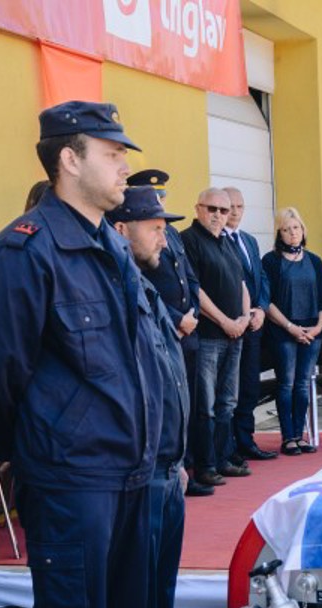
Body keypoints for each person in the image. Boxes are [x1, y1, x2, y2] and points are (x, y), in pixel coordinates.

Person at [0, 101, 166, 608]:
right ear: (69, 161)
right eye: (113, 154)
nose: (125, 167)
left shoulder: (110, 247)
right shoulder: (22, 253)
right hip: (73, 481)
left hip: (131, 471)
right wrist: (22, 448)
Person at [107, 186, 189, 608]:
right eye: (155, 228)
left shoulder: (145, 286)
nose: (165, 239)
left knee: (160, 596)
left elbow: (167, 377)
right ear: (122, 230)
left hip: (168, 470)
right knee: (134, 605)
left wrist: (181, 459)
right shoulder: (115, 291)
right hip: (140, 473)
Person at [127, 169, 210, 497]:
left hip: (186, 330)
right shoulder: (136, 242)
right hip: (166, 327)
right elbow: (149, 287)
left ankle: (184, 466)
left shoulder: (171, 234)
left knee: (185, 401)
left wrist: (192, 315)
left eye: (161, 196)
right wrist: (174, 318)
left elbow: (189, 276)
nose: (159, 201)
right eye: (152, 196)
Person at [182, 188, 251, 486]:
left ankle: (224, 458)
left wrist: (245, 318)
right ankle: (206, 465)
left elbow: (241, 283)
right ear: (198, 208)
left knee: (227, 403)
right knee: (206, 406)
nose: (218, 216)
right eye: (212, 209)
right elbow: (194, 289)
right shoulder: (189, 240)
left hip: (235, 334)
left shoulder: (227, 241)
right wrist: (225, 322)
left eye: (224, 211)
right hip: (210, 336)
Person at [261, 207, 322, 455]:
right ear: (279, 233)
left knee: (302, 384)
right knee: (286, 383)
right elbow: (266, 301)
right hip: (283, 331)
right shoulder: (270, 261)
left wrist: (318, 327)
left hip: (313, 330)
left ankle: (299, 436)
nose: (293, 233)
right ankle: (287, 437)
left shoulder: (314, 261)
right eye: (287, 229)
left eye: (296, 227)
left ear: (303, 230)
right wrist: (290, 328)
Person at [223, 186, 277, 463]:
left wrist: (262, 309)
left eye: (239, 206)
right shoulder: (216, 241)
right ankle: (228, 445)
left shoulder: (249, 241)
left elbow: (262, 279)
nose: (234, 212)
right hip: (230, 327)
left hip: (255, 325)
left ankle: (247, 441)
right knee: (228, 389)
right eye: (229, 206)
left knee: (249, 387)